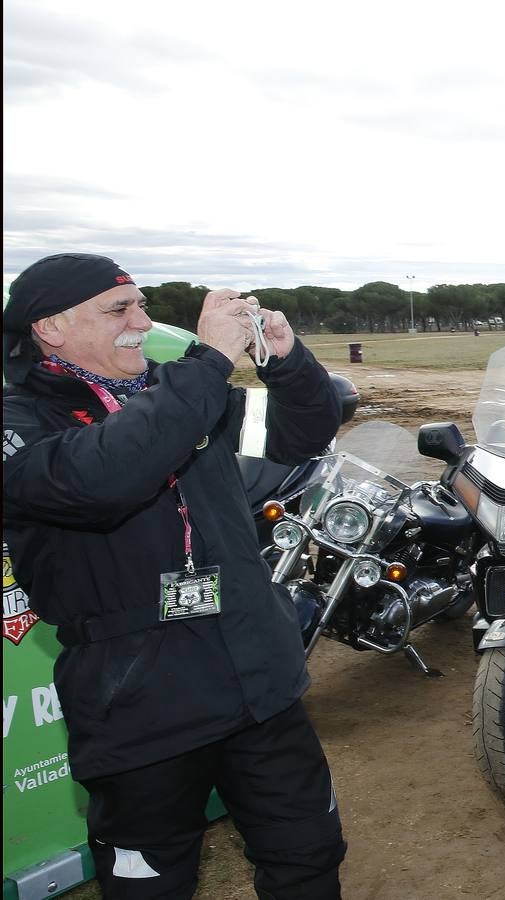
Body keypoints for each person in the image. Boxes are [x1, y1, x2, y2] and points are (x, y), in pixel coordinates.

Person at [2, 253, 347, 899]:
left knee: (308, 853)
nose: (143, 321)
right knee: (150, 884)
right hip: (140, 701)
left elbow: (304, 436)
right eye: (119, 309)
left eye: (142, 304)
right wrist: (208, 364)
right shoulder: (21, 418)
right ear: (49, 327)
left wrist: (289, 361)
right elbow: (98, 481)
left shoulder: (183, 389)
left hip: (257, 678)